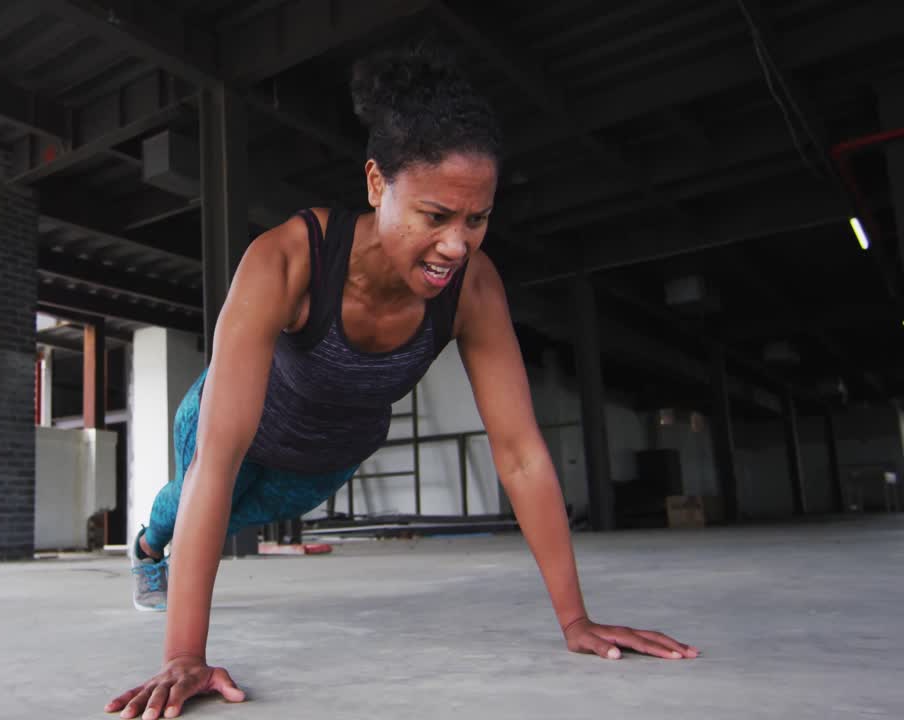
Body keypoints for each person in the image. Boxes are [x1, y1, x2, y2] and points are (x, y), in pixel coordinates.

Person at [107, 41, 699, 720]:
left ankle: (169, 541)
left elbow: (520, 453)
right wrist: (184, 655)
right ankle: (149, 547)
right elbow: (218, 457)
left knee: (244, 515)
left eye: (477, 219)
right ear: (376, 185)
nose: (457, 245)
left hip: (324, 458)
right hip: (232, 426)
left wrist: (577, 621)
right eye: (436, 216)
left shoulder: (472, 289)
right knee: (188, 504)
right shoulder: (288, 260)